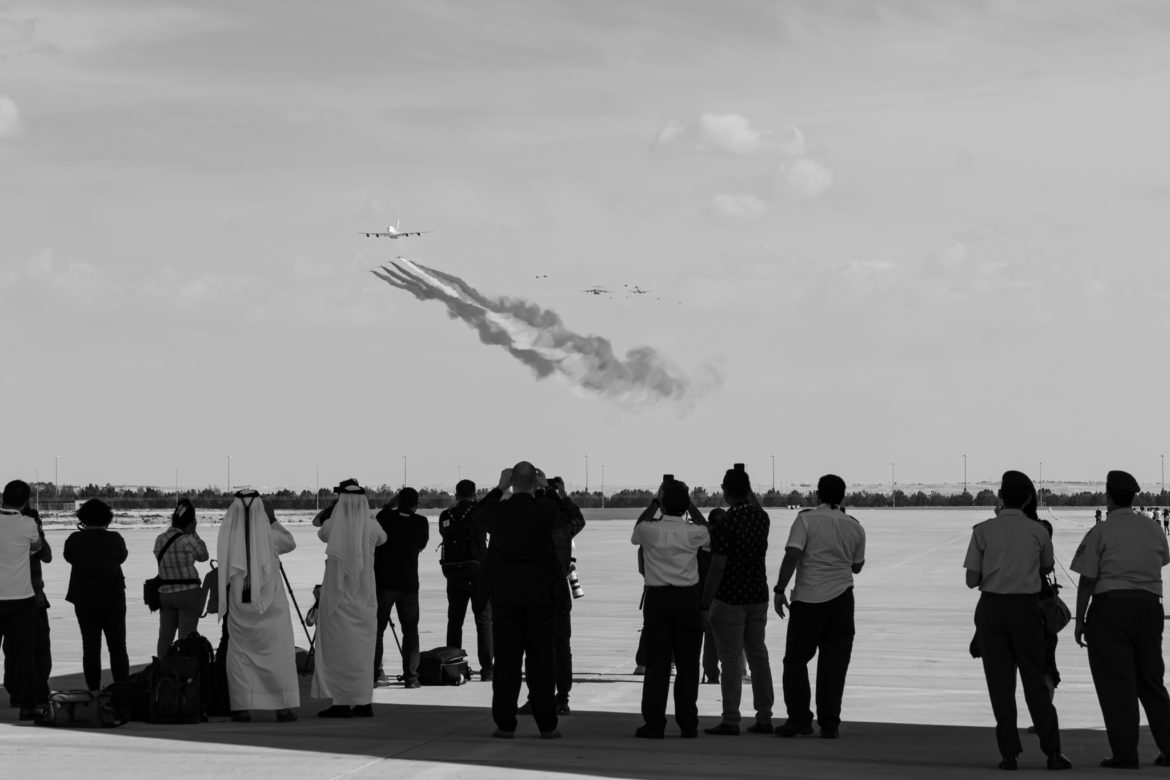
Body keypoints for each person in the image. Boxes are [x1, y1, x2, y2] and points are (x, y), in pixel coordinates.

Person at [964, 470, 1071, 771]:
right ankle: (1052, 752)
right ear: (1027, 499)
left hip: (992, 609)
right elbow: (1046, 566)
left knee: (1000, 685)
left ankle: (1008, 754)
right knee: (1035, 682)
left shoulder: (982, 531)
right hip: (1026, 610)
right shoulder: (1038, 531)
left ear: (1000, 497)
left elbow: (972, 580)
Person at [1071, 470, 1170, 769]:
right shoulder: (1154, 528)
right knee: (1152, 682)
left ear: (1109, 496)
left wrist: (1080, 620)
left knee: (1117, 685)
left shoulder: (1100, 531)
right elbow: (1164, 558)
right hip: (1150, 608)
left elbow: (1087, 580)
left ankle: (1126, 754)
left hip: (1111, 610)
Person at [477, 462, 575, 739]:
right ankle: (547, 724)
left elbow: (475, 515)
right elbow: (571, 515)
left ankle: (505, 724)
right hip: (540, 599)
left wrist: (498, 488)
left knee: (507, 663)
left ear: (512, 482)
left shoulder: (498, 512)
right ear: (535, 483)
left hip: (507, 599)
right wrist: (550, 490)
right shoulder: (545, 510)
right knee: (541, 663)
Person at [771, 474, 866, 739]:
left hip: (809, 600)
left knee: (796, 661)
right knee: (834, 664)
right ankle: (830, 724)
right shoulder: (855, 526)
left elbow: (793, 554)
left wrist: (779, 589)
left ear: (818, 495)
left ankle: (800, 719)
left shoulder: (805, 519)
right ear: (842, 497)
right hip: (842, 601)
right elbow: (857, 566)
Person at [630, 477, 710, 738]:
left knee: (657, 665)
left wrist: (656, 501)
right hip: (688, 600)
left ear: (662, 505)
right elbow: (708, 529)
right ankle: (688, 724)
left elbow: (638, 526)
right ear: (685, 505)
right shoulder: (695, 532)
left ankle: (654, 723)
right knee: (688, 665)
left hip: (658, 600)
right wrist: (691, 505)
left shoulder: (649, 530)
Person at [701, 465, 774, 736]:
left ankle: (731, 718)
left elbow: (718, 566)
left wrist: (705, 602)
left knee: (731, 660)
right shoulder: (762, 518)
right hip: (757, 595)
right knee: (758, 656)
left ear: (725, 492)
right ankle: (764, 715)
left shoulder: (726, 523)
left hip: (731, 598)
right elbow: (751, 504)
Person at [216, 490, 299, 722]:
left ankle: (241, 706)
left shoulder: (229, 536)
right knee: (278, 654)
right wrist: (272, 519)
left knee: (241, 655)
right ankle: (282, 707)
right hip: (270, 606)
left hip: (241, 607)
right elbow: (291, 542)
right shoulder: (271, 536)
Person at [312, 479, 388, 717]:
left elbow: (320, 530)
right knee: (362, 652)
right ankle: (363, 701)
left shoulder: (333, 525)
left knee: (337, 652)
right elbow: (383, 538)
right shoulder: (373, 526)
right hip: (364, 598)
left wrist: (337, 510)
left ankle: (342, 703)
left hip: (337, 599)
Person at [63, 498, 130, 692]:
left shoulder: (74, 539)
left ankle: (93, 689)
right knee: (117, 646)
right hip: (113, 598)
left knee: (90, 647)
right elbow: (122, 557)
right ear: (107, 519)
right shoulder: (115, 538)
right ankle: (122, 689)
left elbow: (69, 557)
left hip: (84, 599)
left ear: (83, 519)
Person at [371, 487, 426, 689]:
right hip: (409, 584)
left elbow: (383, 513)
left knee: (377, 630)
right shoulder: (421, 522)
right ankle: (411, 677)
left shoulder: (385, 517)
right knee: (411, 631)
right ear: (416, 505)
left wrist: (389, 504)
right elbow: (422, 544)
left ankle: (374, 674)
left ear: (397, 501)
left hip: (384, 583)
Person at [439, 479, 492, 681]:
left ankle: (454, 666)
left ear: (456, 493)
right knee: (484, 620)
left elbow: (444, 532)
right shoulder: (479, 512)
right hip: (478, 573)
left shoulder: (447, 514)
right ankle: (487, 669)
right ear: (474, 493)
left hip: (454, 574)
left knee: (455, 621)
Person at [0, 480, 42, 719]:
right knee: (24, 654)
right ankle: (26, 703)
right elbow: (37, 546)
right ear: (26, 502)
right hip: (21, 598)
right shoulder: (28, 523)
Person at [4, 505, 51, 711]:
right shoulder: (29, 537)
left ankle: (17, 691)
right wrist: (38, 533)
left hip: (17, 597)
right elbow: (46, 555)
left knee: (14, 650)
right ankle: (34, 694)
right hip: (30, 599)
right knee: (36, 648)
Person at [154, 498, 209, 657]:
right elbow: (203, 556)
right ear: (191, 521)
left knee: (165, 636)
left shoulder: (160, 539)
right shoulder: (188, 539)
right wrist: (194, 533)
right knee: (186, 638)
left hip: (165, 593)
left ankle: (162, 670)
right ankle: (185, 672)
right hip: (188, 592)